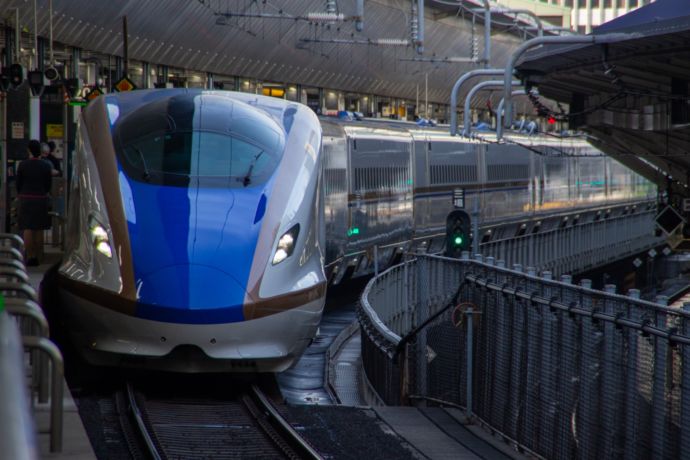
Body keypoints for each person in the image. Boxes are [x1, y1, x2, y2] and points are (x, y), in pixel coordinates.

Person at [17, 140, 53, 266]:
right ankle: (39, 255)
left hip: (26, 198)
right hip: (41, 198)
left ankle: (30, 255)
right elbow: (48, 184)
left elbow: (18, 184)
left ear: (29, 150)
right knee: (39, 228)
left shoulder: (22, 165)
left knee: (27, 227)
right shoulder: (45, 166)